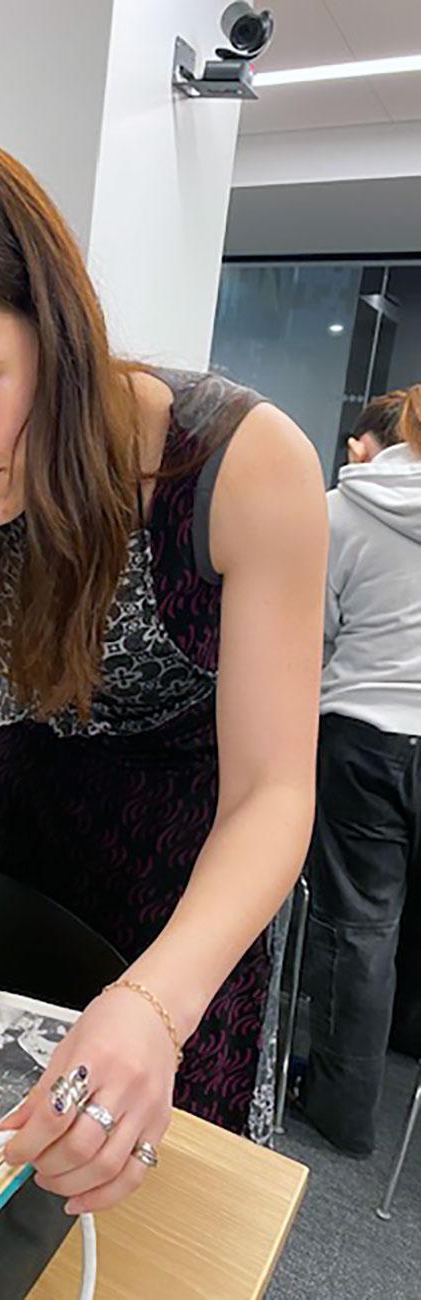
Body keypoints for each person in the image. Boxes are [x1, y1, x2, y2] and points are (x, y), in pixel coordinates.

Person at [0, 132, 326, 1215]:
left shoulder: (244, 465)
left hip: (192, 867)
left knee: (135, 1203)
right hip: (25, 824)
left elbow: (273, 793)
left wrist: (158, 1006)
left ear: (57, 325)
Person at [302, 385, 421, 1156]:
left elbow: (311, 635)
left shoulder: (343, 511)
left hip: (365, 735)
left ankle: (343, 1113)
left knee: (359, 929)